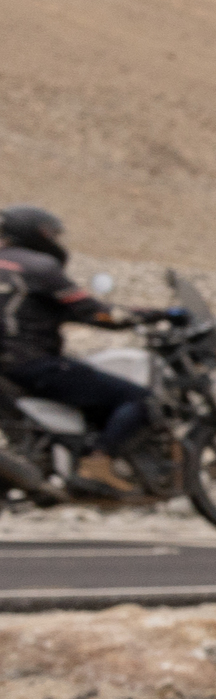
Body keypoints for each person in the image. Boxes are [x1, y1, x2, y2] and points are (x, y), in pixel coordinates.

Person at [0, 207, 150, 495]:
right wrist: (155, 315)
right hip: (31, 364)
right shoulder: (39, 267)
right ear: (39, 234)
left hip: (8, 368)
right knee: (136, 397)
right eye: (53, 235)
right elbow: (94, 312)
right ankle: (97, 464)